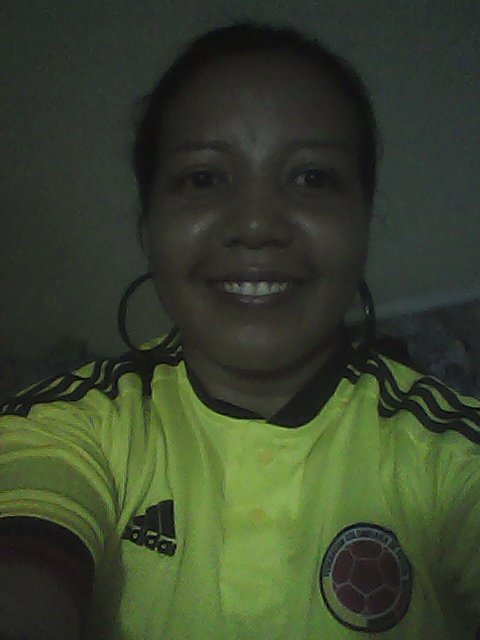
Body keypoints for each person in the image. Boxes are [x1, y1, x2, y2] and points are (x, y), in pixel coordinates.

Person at [0, 20, 479, 640]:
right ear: (148, 225)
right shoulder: (60, 428)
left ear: (364, 220)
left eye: (312, 177)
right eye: (203, 178)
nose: (255, 225)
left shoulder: (450, 459)